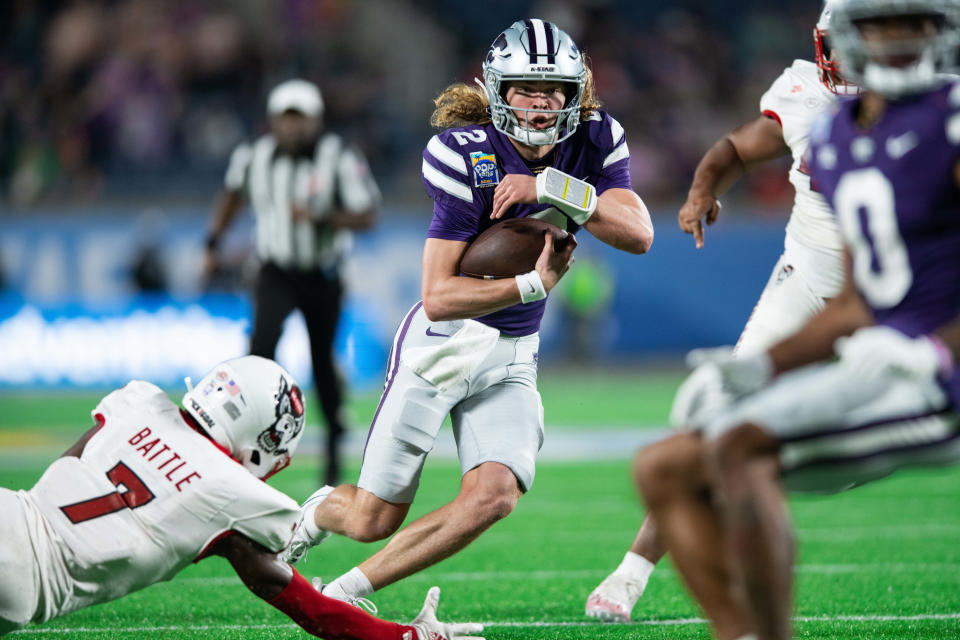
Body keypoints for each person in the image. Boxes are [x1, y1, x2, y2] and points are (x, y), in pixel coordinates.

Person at [281, 18, 654, 608]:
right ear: (497, 92)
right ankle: (317, 512)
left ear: (575, 92)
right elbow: (439, 295)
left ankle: (346, 593)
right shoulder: (464, 154)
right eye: (526, 90)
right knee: (373, 517)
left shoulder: (595, 136)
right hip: (444, 344)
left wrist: (551, 185)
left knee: (494, 496)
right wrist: (532, 285)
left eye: (553, 90)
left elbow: (638, 233)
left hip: (513, 353)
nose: (540, 103)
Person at [634, 1, 960, 638]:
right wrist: (757, 366)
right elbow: (851, 304)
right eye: (879, 27)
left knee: (737, 450)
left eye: (912, 27)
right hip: (886, 356)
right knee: (663, 468)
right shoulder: (837, 134)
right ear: (841, 40)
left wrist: (937, 349)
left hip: (938, 371)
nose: (896, 44)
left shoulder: (951, 122)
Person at [585, 1, 857, 622]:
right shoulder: (804, 92)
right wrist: (703, 189)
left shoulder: (936, 106)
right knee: (717, 412)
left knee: (829, 462)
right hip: (810, 279)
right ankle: (632, 572)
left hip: (900, 297)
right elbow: (738, 146)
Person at [0, 355, 481, 640]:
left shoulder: (139, 403)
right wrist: (406, 636)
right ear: (263, 435)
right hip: (20, 579)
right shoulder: (233, 495)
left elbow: (62, 473)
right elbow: (315, 612)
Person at [203, 79, 380, 486]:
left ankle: (334, 450)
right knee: (258, 353)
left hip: (323, 272)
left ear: (316, 121)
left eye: (301, 120)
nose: (294, 128)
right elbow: (231, 195)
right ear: (273, 121)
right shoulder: (253, 156)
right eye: (287, 119)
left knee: (321, 360)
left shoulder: (338, 156)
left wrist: (326, 218)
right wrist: (213, 241)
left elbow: (367, 214)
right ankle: (240, 443)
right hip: (275, 270)